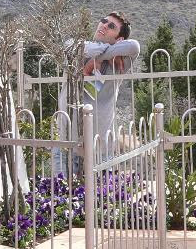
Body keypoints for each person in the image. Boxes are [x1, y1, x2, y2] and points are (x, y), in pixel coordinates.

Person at [53, 12, 140, 175]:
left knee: (100, 193)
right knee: (62, 191)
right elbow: (68, 45)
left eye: (111, 26)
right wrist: (103, 54)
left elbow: (134, 47)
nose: (104, 25)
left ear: (120, 39)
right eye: (103, 21)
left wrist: (100, 58)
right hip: (66, 146)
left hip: (100, 150)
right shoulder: (79, 48)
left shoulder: (120, 63)